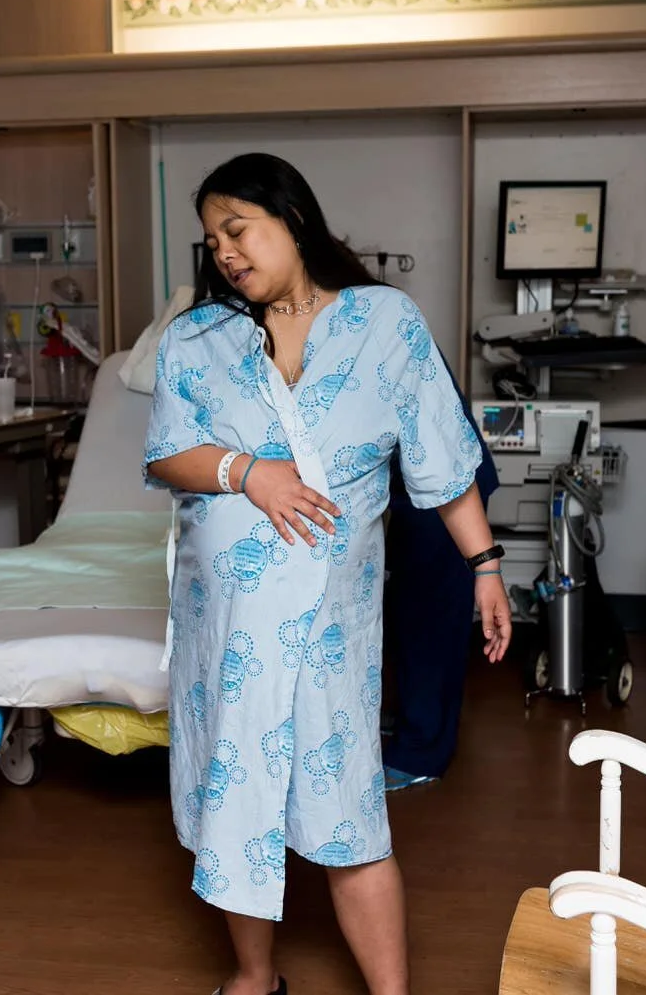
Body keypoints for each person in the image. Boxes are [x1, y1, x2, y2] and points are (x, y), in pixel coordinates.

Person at [144, 152, 513, 995]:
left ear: (293, 218)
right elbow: (168, 454)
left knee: (350, 815)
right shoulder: (197, 340)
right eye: (212, 241)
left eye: (238, 229)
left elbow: (441, 461)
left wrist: (485, 565)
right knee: (235, 802)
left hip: (328, 629)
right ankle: (254, 975)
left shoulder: (384, 325)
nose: (226, 252)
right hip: (227, 626)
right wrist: (249, 471)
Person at [380, 370, 500, 791]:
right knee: (402, 609)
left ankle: (422, 752)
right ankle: (412, 719)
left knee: (427, 618)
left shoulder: (382, 325)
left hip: (446, 484)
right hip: (406, 482)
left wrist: (487, 567)